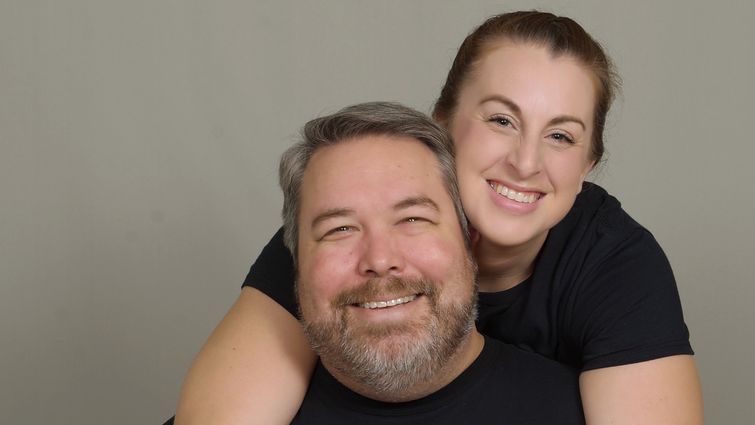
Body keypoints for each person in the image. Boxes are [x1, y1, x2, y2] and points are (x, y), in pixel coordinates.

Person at [175, 11, 703, 425]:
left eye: (561, 136)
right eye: (501, 119)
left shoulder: (616, 264)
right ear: (443, 122)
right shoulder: (351, 232)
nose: (525, 162)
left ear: (589, 163)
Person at [284, 102, 584, 423]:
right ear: (295, 258)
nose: (380, 260)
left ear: (470, 239)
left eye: (413, 218)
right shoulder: (244, 408)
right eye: (339, 229)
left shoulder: (584, 413)